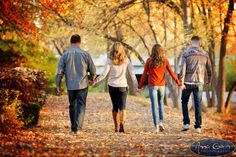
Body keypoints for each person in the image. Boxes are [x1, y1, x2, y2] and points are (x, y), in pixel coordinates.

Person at [137, 44, 184, 133]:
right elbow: (172, 73)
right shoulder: (164, 61)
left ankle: (156, 127)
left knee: (154, 106)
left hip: (152, 86)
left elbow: (144, 75)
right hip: (161, 86)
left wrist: (139, 87)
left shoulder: (149, 61)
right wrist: (179, 84)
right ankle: (161, 122)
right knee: (161, 104)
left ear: (152, 51)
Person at [93, 42, 138, 133]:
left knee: (115, 107)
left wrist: (95, 81)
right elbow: (132, 74)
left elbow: (104, 74)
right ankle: (122, 124)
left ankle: (116, 127)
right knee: (123, 107)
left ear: (112, 49)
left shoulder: (109, 60)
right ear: (122, 50)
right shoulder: (126, 60)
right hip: (122, 86)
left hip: (112, 86)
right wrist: (137, 85)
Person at [56, 34, 96, 134]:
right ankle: (78, 127)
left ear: (71, 42)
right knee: (81, 105)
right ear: (79, 42)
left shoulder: (64, 55)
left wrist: (58, 85)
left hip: (70, 85)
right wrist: (92, 78)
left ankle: (74, 127)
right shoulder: (85, 54)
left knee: (72, 105)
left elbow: (60, 72)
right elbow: (93, 69)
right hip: (82, 84)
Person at [179, 35, 211, 133]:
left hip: (187, 82)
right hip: (199, 83)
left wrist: (181, 82)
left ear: (191, 42)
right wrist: (209, 79)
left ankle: (186, 123)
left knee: (184, 102)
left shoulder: (186, 53)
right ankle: (198, 126)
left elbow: (182, 69)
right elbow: (209, 69)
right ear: (199, 42)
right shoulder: (205, 54)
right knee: (197, 104)